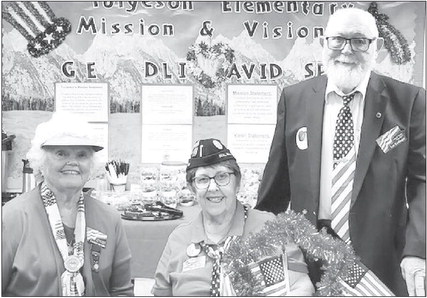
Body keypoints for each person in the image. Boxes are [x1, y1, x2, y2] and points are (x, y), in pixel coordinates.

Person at [256, 7, 425, 296]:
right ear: (324, 42)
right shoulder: (294, 98)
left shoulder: (408, 102)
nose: (347, 49)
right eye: (338, 40)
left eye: (360, 40)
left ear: (377, 47)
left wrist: (417, 250)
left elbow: (423, 183)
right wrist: (258, 242)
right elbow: (276, 183)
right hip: (309, 255)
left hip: (380, 259)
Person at [152, 138, 314, 296]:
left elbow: (301, 286)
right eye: (202, 179)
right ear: (192, 189)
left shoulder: (270, 226)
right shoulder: (178, 238)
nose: (213, 187)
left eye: (222, 176)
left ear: (238, 182)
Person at [2, 112, 133, 296]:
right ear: (41, 160)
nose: (72, 162)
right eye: (60, 153)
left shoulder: (110, 219)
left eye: (82, 155)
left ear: (91, 163)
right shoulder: (11, 218)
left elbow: (121, 291)